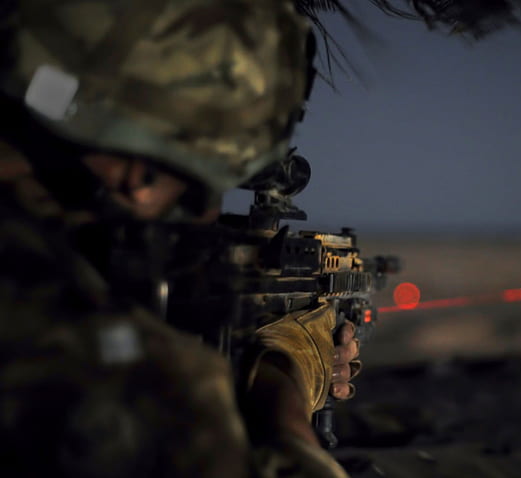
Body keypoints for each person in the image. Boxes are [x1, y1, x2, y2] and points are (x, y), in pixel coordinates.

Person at [0, 0, 357, 476]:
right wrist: (288, 374)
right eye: (194, 188)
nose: (207, 215)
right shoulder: (113, 370)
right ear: (136, 172)